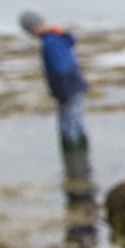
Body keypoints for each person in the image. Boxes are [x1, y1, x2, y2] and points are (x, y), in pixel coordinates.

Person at [20, 10, 90, 147]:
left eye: (29, 31)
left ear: (36, 26)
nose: (30, 35)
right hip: (73, 85)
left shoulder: (51, 42)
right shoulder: (57, 37)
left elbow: (61, 69)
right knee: (75, 120)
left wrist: (62, 94)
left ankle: (75, 160)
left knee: (70, 124)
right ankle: (79, 156)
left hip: (68, 88)